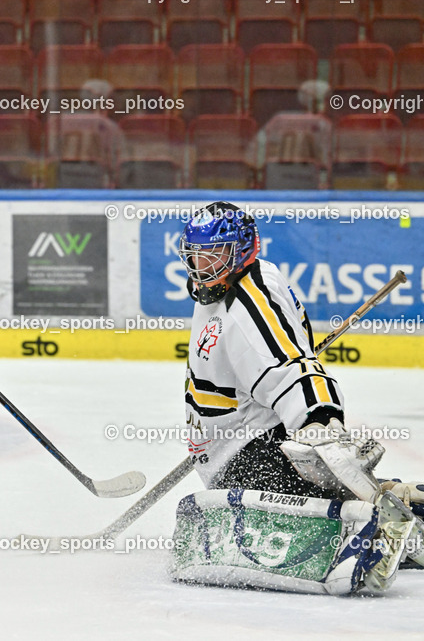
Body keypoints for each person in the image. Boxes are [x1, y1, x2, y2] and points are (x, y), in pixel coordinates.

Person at [170, 201, 423, 594]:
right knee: (326, 486)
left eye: (214, 257)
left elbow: (289, 367)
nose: (202, 269)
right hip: (241, 446)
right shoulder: (237, 285)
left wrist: (318, 422)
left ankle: (392, 529)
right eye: (195, 257)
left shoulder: (246, 306)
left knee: (322, 494)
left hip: (257, 450)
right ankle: (397, 497)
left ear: (239, 252)